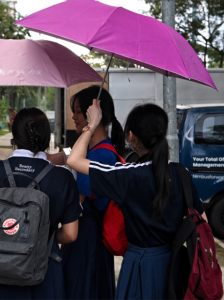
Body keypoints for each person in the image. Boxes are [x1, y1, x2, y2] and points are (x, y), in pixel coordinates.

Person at [67, 101, 207, 300]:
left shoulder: (128, 175)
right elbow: (202, 221)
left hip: (140, 265)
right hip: (174, 265)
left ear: (131, 136)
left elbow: (74, 160)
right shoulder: (181, 173)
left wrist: (92, 123)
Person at [0, 107, 81, 300]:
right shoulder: (63, 177)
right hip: (43, 273)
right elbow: (70, 234)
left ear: (14, 137)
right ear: (47, 138)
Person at [60, 86, 124, 300]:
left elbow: (75, 202)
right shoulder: (96, 150)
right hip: (88, 232)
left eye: (79, 111)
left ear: (93, 115)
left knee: (80, 289)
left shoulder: (99, 156)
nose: (73, 117)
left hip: (86, 235)